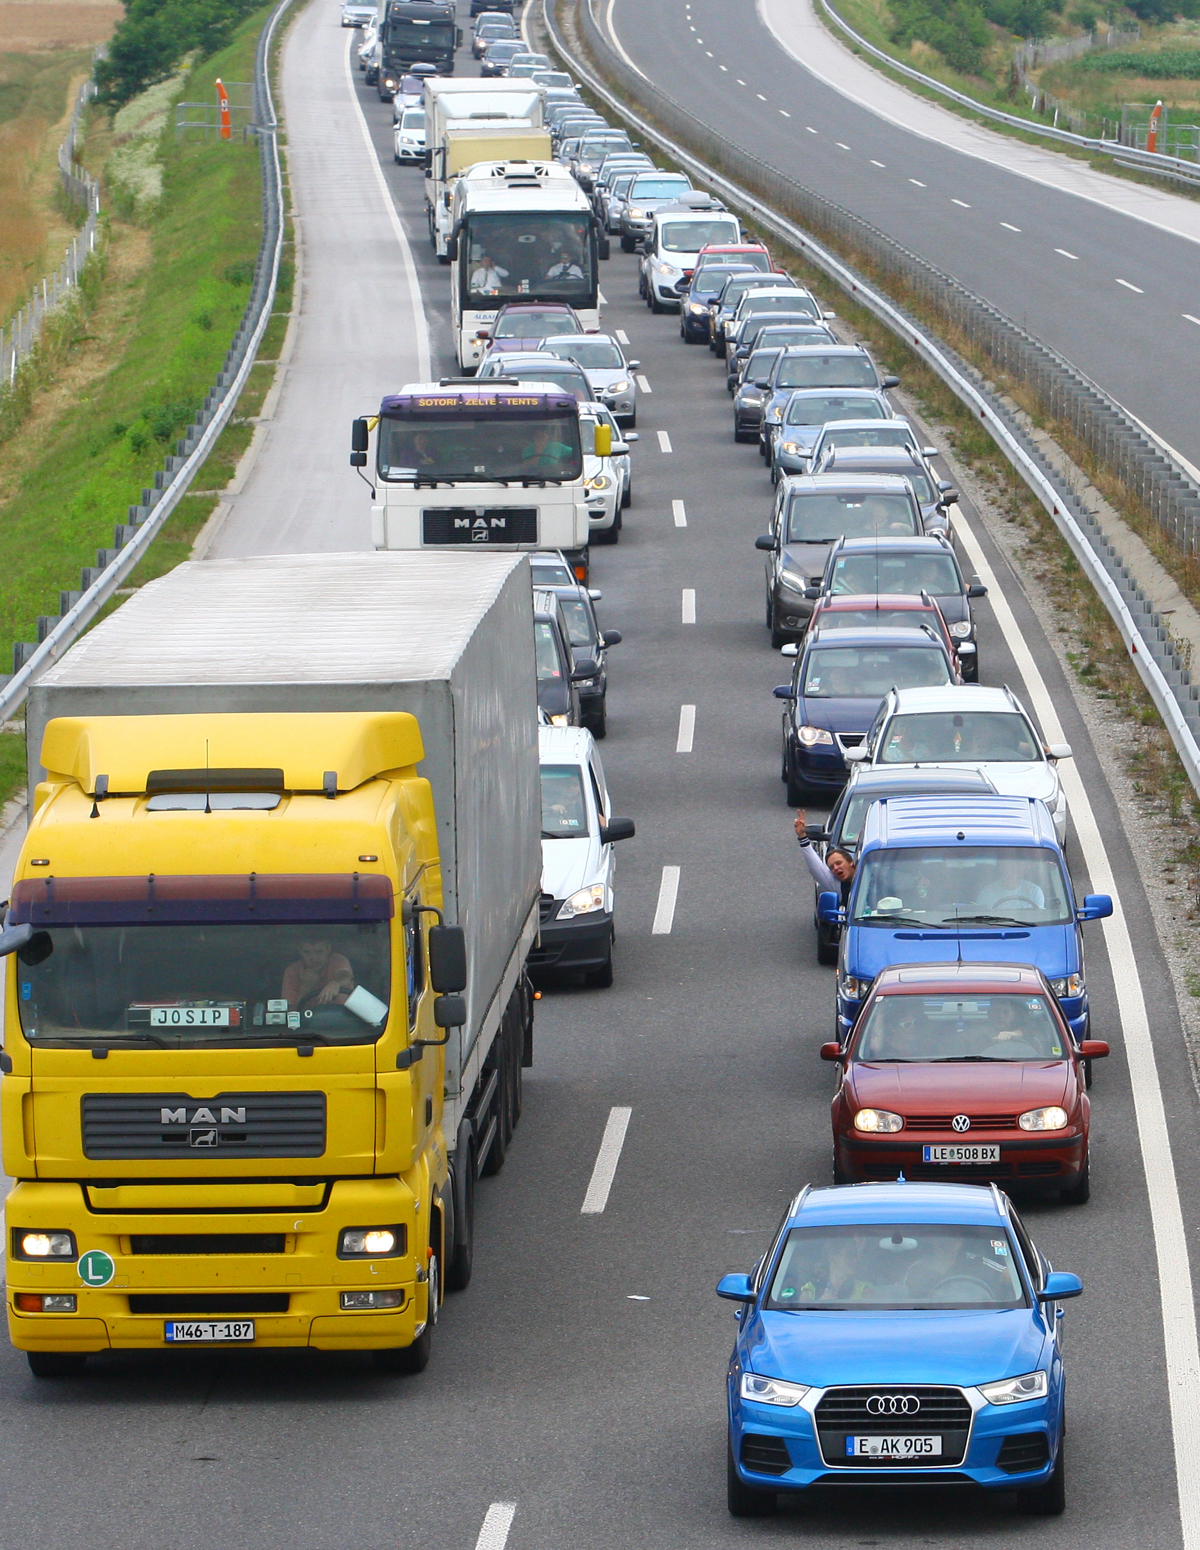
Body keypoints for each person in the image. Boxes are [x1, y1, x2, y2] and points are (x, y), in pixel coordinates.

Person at [794, 810, 855, 903]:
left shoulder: (870, 873)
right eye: (831, 867)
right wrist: (802, 837)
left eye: (839, 863)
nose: (836, 868)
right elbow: (816, 868)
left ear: (851, 862)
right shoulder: (838, 886)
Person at [281, 939, 354, 1011]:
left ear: (328, 949)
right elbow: (289, 1012)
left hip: (342, 1016)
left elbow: (346, 976)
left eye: (319, 952)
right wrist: (305, 988)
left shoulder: (337, 960)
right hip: (308, 1017)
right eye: (307, 952)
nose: (314, 958)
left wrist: (335, 983)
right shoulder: (293, 971)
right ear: (300, 951)